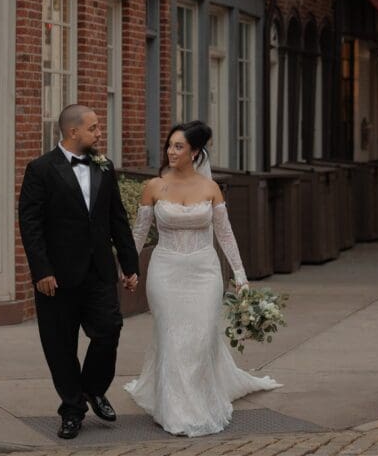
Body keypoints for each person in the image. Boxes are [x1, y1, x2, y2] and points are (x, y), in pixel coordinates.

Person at [125, 121, 280, 436]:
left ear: (194, 152)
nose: (171, 151)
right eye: (170, 145)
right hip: (165, 271)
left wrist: (240, 276)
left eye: (179, 146)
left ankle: (200, 401)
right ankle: (174, 410)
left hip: (204, 273)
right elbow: (139, 234)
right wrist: (128, 269)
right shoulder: (154, 187)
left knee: (200, 339)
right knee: (171, 337)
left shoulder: (211, 188)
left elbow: (225, 235)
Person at [18, 103, 139, 440]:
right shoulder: (40, 169)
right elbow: (30, 225)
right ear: (73, 132)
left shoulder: (104, 166)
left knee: (109, 330)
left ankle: (93, 388)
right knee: (60, 346)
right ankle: (72, 410)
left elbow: (117, 219)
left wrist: (129, 266)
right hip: (56, 277)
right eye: (94, 128)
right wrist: (41, 270)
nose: (99, 133)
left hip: (99, 271)